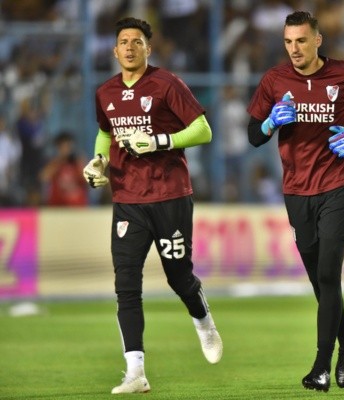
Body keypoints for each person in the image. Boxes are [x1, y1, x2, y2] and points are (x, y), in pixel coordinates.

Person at [81, 17, 222, 394]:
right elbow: (105, 133)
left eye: (136, 42)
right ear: (115, 51)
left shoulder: (167, 84)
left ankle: (204, 321)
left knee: (179, 277)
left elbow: (203, 130)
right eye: (123, 42)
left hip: (170, 196)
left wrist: (159, 141)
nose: (129, 47)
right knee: (126, 284)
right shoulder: (105, 92)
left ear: (148, 48)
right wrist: (99, 162)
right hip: (127, 200)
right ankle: (135, 372)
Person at [246, 11, 344, 392]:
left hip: (341, 182)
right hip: (297, 189)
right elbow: (253, 135)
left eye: (301, 41)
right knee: (317, 279)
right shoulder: (274, 80)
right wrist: (269, 123)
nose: (294, 49)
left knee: (328, 274)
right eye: (288, 42)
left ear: (317, 40)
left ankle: (321, 366)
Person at [39, 131, 88, 206]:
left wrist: (79, 164)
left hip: (77, 206)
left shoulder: (78, 162)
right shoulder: (54, 163)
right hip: (58, 207)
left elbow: (88, 181)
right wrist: (59, 162)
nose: (65, 149)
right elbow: (43, 177)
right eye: (62, 146)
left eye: (67, 146)